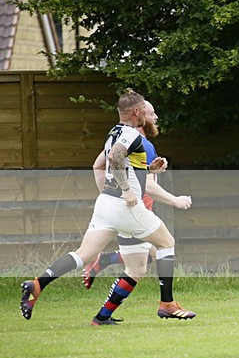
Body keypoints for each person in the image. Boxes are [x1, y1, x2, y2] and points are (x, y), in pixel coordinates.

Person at [19, 90, 195, 325]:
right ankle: (167, 304)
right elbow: (115, 157)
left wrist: (149, 170)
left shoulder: (114, 132)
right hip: (125, 206)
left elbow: (103, 164)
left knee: (85, 255)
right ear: (136, 112)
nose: (148, 114)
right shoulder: (132, 134)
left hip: (106, 205)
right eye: (145, 109)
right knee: (167, 243)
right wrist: (127, 191)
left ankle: (38, 284)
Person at [82, 100, 192, 291]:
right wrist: (176, 200)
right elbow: (148, 185)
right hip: (134, 211)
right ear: (140, 116)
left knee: (146, 257)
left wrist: (109, 194)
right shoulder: (143, 145)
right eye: (151, 113)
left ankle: (102, 313)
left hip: (125, 208)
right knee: (156, 253)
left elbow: (97, 166)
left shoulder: (118, 141)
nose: (155, 117)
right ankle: (167, 303)